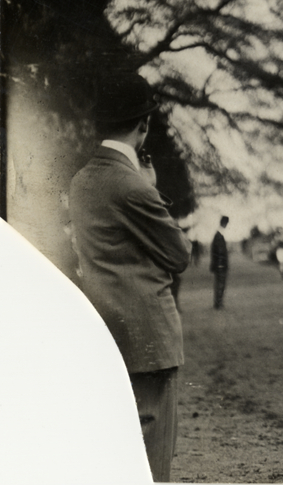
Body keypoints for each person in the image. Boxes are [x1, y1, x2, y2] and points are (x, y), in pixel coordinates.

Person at [68, 72, 191, 481]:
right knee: (152, 459)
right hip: (149, 338)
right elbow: (179, 254)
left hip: (105, 332)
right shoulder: (131, 185)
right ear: (144, 125)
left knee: (115, 452)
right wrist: (150, 188)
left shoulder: (81, 181)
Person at [210, 216, 230, 309]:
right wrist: (222, 264)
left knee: (219, 283)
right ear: (224, 223)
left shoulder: (217, 235)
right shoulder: (219, 236)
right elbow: (220, 252)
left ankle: (218, 302)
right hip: (220, 264)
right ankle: (218, 303)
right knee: (220, 284)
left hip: (218, 264)